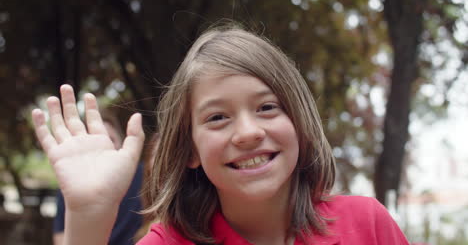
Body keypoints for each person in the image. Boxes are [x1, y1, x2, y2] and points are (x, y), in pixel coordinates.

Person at [31, 25, 410, 245]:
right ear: (190, 149)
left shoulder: (367, 224)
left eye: (266, 107)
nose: (247, 133)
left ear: (299, 123)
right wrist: (88, 214)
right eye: (217, 118)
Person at [52, 109, 144, 245]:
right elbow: (60, 236)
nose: (105, 149)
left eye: (111, 140)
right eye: (96, 144)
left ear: (122, 142)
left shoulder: (146, 175)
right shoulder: (72, 186)